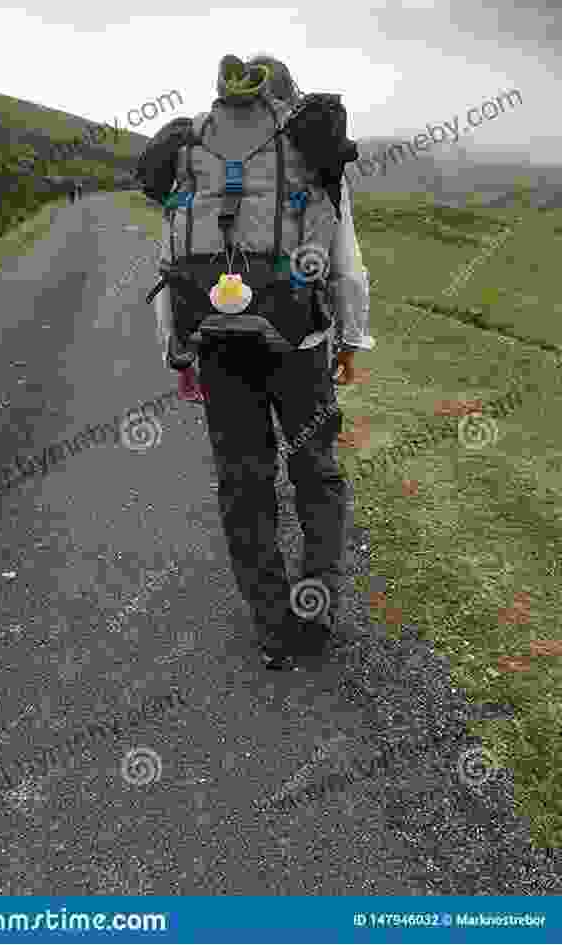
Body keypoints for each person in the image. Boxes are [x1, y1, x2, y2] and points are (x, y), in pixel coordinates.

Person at [146, 54, 372, 670]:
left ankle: (272, 630)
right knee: (316, 476)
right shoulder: (310, 146)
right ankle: (316, 613)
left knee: (244, 486)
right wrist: (351, 340)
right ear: (288, 96)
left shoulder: (193, 149)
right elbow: (347, 264)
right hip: (299, 345)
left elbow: (171, 261)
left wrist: (178, 352)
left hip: (219, 346)